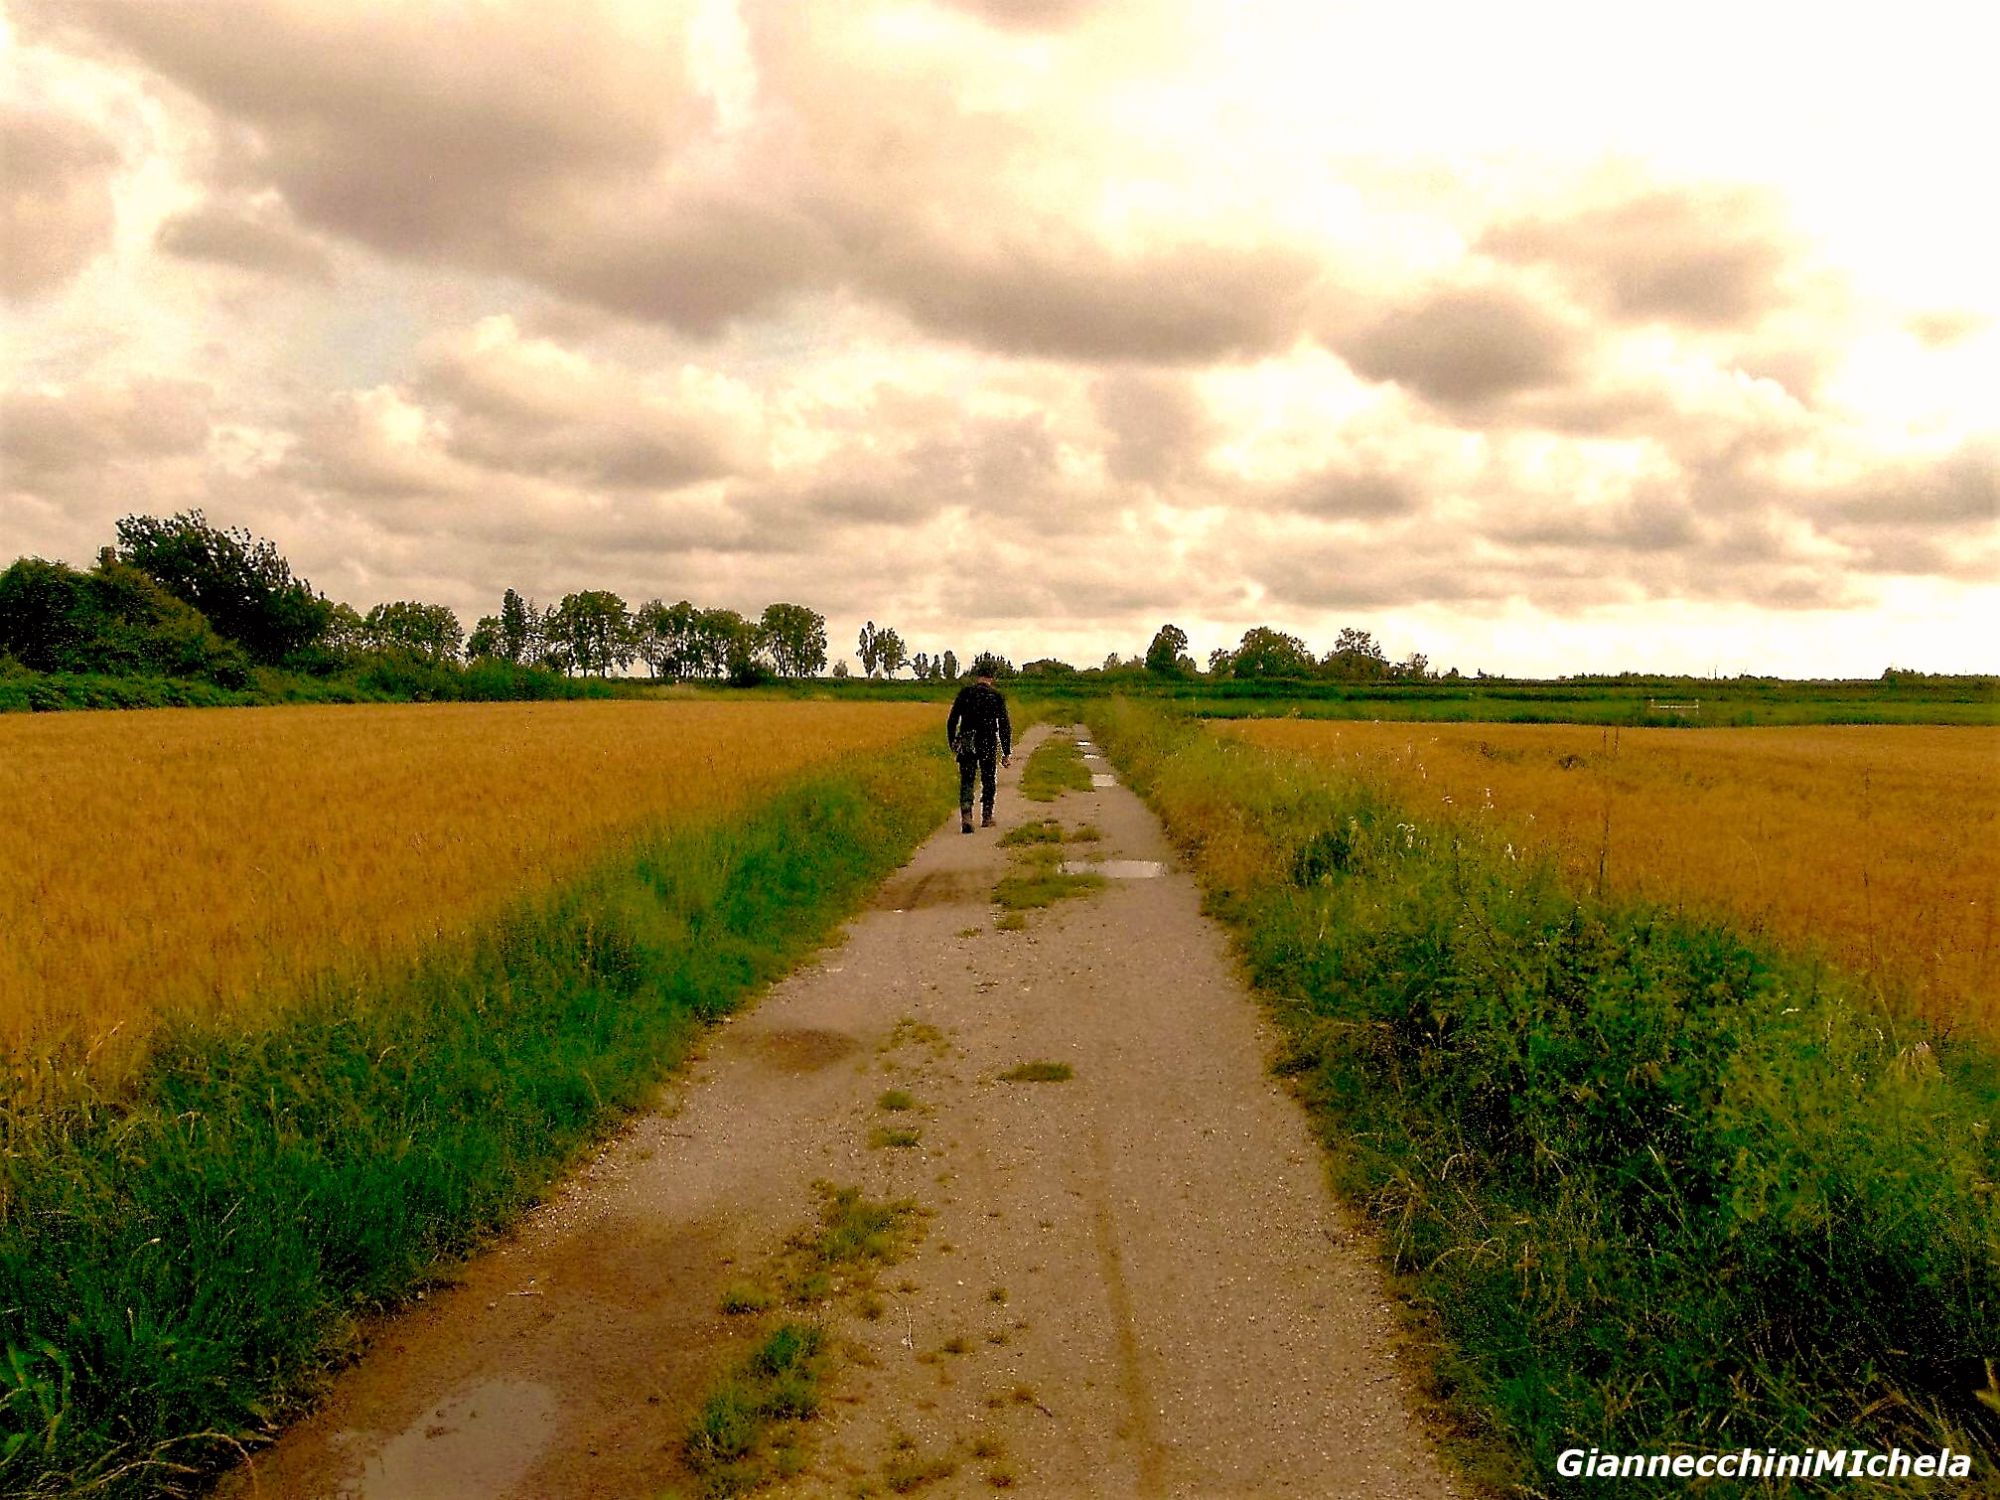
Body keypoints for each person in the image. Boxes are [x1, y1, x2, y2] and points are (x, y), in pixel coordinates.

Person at [945, 667, 1012, 833]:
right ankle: (987, 816)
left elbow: (952, 720)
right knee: (988, 778)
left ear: (977, 677)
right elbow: (1004, 725)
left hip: (967, 739)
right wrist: (1006, 752)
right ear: (992, 678)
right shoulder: (996, 696)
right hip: (987, 740)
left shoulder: (965, 693)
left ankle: (966, 815)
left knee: (967, 778)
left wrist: (953, 741)